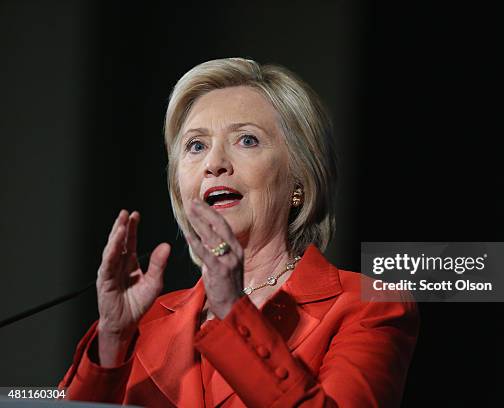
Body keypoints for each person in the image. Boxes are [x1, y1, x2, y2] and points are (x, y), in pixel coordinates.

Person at [58, 58, 419, 407]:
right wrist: (113, 339)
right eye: (196, 146)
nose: (214, 164)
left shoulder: (368, 306)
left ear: (299, 178)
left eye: (246, 140)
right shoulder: (147, 324)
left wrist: (234, 312)